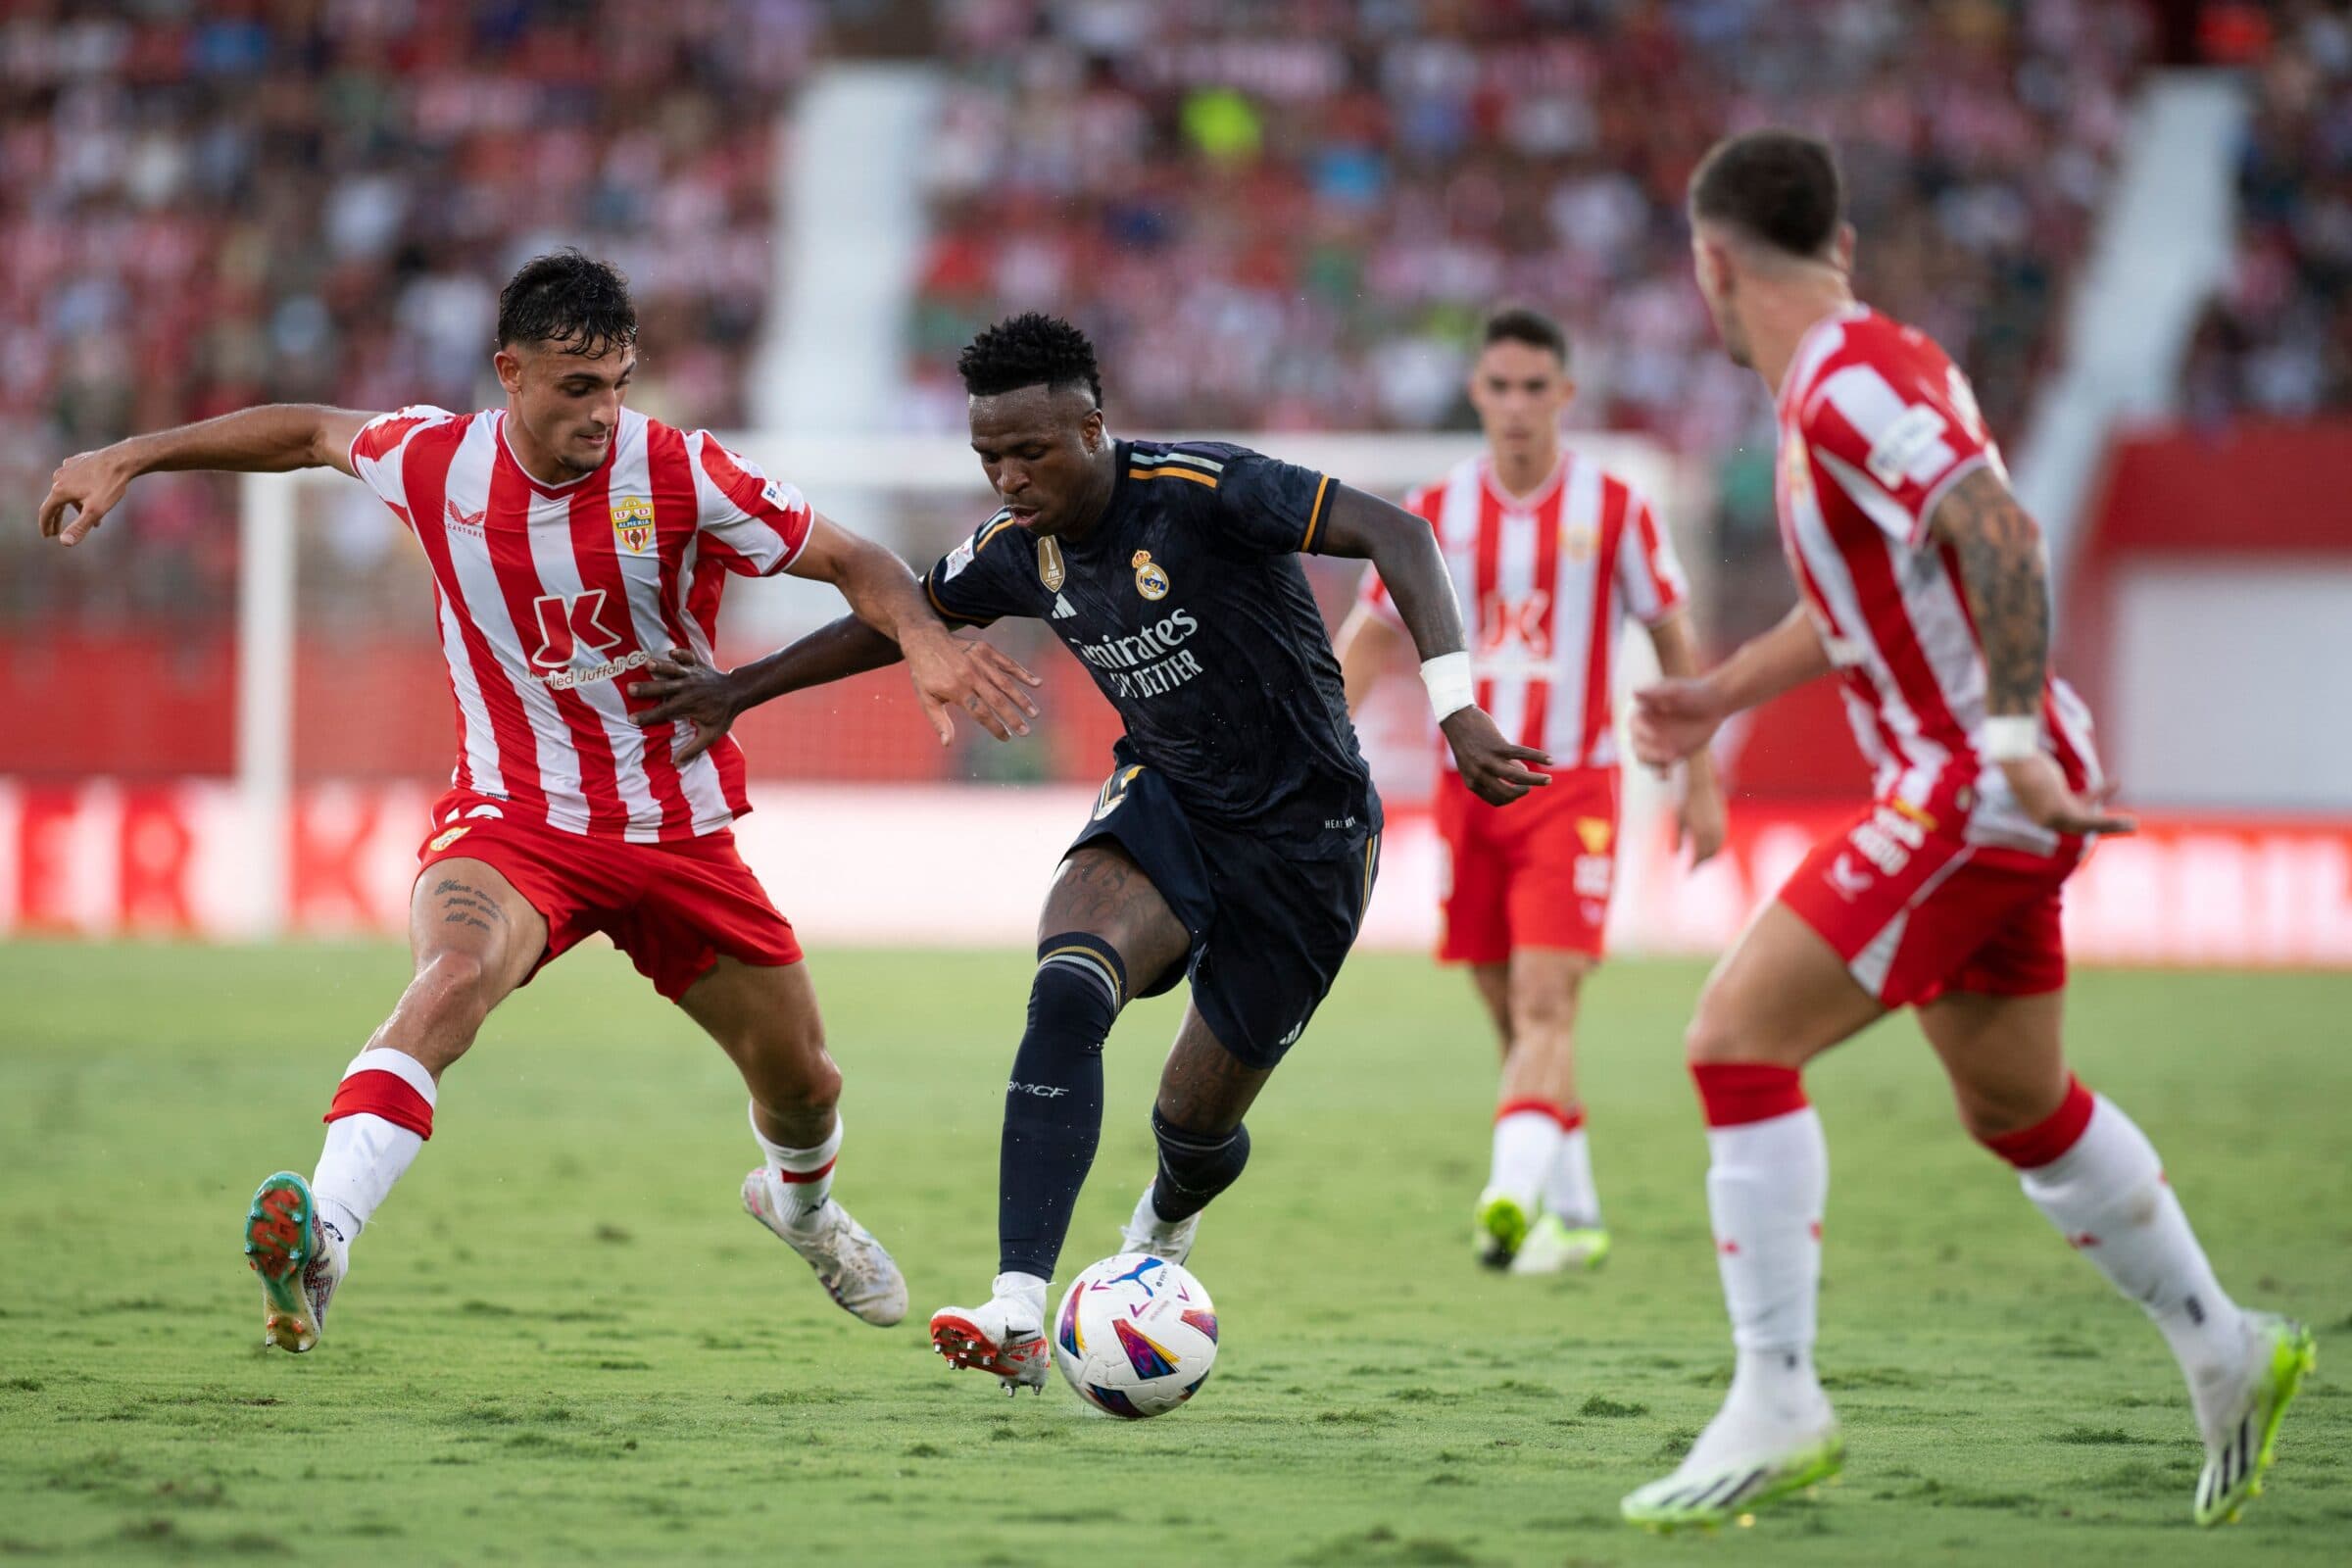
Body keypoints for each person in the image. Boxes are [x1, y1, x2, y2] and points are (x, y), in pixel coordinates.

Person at [35, 251, 1043, 1354]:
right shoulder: (435, 459)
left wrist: (924, 639)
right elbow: (310, 430)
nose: (603, 411)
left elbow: (856, 559)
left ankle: (802, 1212)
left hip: (675, 832)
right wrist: (130, 454)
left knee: (804, 1084)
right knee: (450, 981)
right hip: (516, 823)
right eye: (576, 386)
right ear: (509, 373)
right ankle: (324, 1234)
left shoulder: (681, 471)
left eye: (616, 384)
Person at [626, 312, 1546, 1393]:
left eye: (1030, 452)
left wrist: (1456, 709)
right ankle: (1018, 1305)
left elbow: (1402, 534)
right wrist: (739, 689)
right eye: (989, 457)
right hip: (1169, 803)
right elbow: (900, 616)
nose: (1008, 478)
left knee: (1192, 1132)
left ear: (1094, 429)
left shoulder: (1206, 489)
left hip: (1311, 843)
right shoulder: (1018, 549)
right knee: (1067, 987)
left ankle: (1159, 1229)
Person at [1617, 131, 2312, 1529]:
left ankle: (1778, 1398)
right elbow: (1871, 599)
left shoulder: (1849, 384)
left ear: (1710, 266)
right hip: (1979, 776)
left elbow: (2003, 532)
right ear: (1839, 246)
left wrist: (2002, 741)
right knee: (2017, 1102)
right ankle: (2224, 1345)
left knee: (1736, 1038)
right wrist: (1717, 695)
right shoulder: (1870, 372)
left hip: (1972, 781)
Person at [1336, 305, 1725, 1276]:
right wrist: (1306, 750)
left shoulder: (1617, 508)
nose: (1516, 404)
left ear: (1565, 394)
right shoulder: (1433, 512)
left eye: (1533, 388)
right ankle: (1578, 1214)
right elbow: (1370, 642)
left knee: (1548, 1000)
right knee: (1512, 1012)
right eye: (1500, 386)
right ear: (1478, 392)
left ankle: (1506, 1198)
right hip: (1467, 792)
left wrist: (1700, 778)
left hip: (1572, 787)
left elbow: (1675, 640)